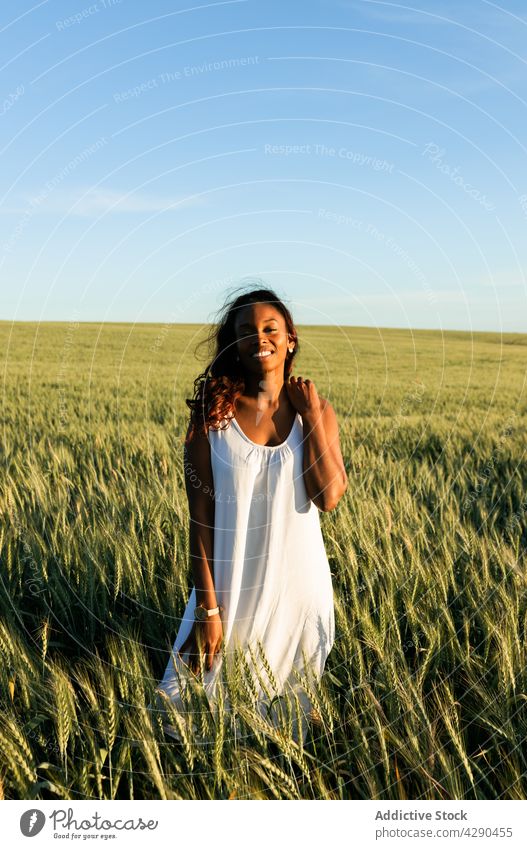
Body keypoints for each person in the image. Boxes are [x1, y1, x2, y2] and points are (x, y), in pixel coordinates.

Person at [155, 285, 348, 744]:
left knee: (281, 734)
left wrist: (312, 416)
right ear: (234, 344)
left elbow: (330, 497)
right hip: (229, 587)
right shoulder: (210, 417)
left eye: (270, 328)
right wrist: (206, 608)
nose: (259, 337)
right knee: (178, 720)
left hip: (299, 592)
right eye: (246, 331)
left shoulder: (316, 411)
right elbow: (199, 516)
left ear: (290, 338)